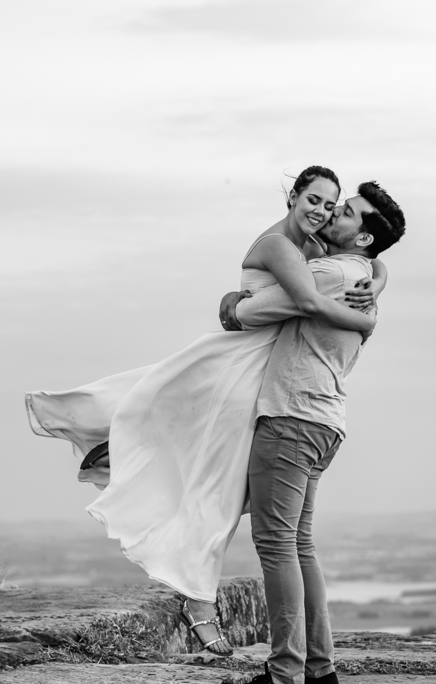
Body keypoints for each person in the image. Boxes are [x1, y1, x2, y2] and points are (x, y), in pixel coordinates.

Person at [25, 166, 389, 658]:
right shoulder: (283, 247)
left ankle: (132, 459)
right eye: (315, 200)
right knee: (217, 486)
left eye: (333, 205)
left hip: (264, 371)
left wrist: (380, 276)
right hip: (243, 365)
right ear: (293, 197)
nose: (323, 211)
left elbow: (357, 264)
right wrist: (365, 320)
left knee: (223, 484)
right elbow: (303, 298)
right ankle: (198, 600)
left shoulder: (320, 252)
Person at [218, 180, 405, 684]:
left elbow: (247, 313)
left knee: (277, 545)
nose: (334, 215)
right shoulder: (363, 273)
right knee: (299, 544)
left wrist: (233, 301)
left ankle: (285, 677)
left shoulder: (324, 272)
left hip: (290, 417)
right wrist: (383, 279)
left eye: (346, 212)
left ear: (363, 237)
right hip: (326, 421)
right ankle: (319, 671)